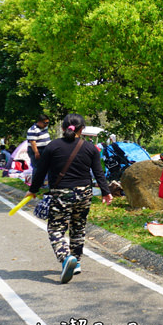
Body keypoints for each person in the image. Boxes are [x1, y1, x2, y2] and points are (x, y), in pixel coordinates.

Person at [26, 113, 113, 284]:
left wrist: (33, 190)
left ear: (64, 128)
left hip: (61, 193)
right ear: (83, 129)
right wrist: (105, 191)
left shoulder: (52, 146)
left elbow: (40, 171)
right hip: (84, 193)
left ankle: (66, 258)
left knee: (56, 229)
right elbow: (98, 172)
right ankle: (77, 261)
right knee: (78, 227)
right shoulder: (90, 148)